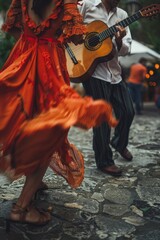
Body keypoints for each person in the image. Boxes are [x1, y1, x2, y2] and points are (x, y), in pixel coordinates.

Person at [0, 0, 118, 227]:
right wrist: (56, 39)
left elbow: (12, 26)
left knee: (27, 120)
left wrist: (31, 42)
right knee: (49, 132)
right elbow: (75, 38)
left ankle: (33, 182)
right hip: (48, 66)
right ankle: (21, 208)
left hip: (23, 59)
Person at [78, 0, 135, 177]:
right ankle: (104, 161)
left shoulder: (123, 16)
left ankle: (119, 142)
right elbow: (69, 30)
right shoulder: (86, 6)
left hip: (115, 74)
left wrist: (119, 40)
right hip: (93, 73)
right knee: (102, 120)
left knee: (128, 111)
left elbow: (126, 50)